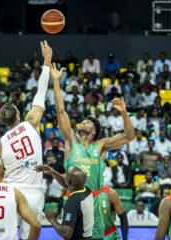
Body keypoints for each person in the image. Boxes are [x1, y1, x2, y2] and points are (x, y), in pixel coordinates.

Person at [36, 63, 135, 240]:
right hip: (73, 199)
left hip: (94, 201)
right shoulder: (71, 142)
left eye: (87, 122)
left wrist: (124, 113)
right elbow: (60, 110)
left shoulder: (101, 145)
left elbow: (129, 136)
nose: (82, 122)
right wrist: (56, 81)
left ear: (94, 131)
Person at [0, 40, 52, 239]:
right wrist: (47, 59)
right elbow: (41, 90)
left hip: (10, 192)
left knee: (7, 236)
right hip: (33, 193)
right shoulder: (30, 122)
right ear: (18, 116)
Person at [45, 166, 94, 240]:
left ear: (69, 181)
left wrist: (52, 219)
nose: (64, 176)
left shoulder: (72, 202)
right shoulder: (87, 190)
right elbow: (69, 185)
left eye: (66, 175)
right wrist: (53, 172)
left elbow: (66, 234)